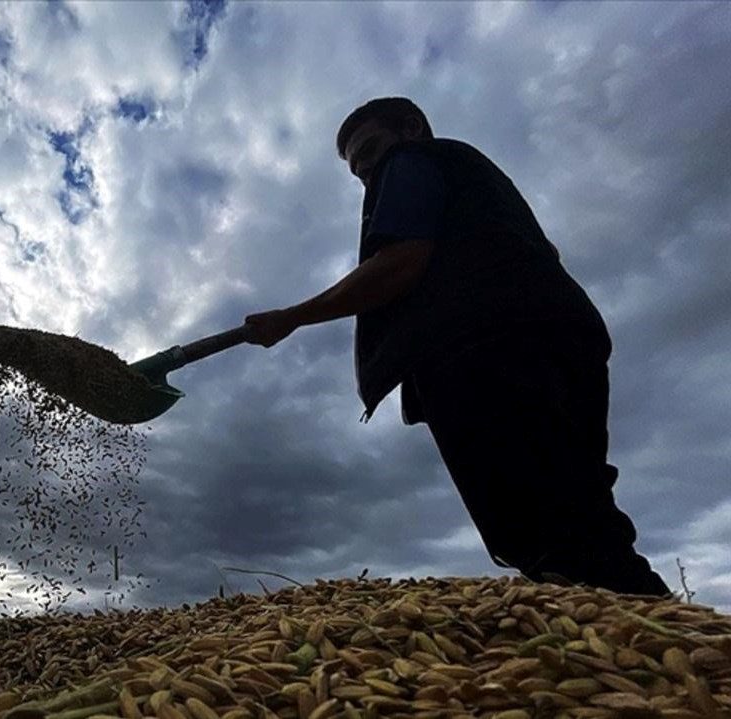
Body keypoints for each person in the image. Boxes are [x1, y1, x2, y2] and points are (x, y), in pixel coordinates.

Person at [243, 97, 671, 597]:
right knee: (578, 507)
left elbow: (402, 260)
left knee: (544, 528)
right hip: (562, 334)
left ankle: (636, 629)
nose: (370, 175)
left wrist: (292, 318)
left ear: (411, 128)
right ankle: (650, 627)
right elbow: (541, 254)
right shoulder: (481, 186)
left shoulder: (413, 160)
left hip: (490, 350)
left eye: (372, 153)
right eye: (359, 172)